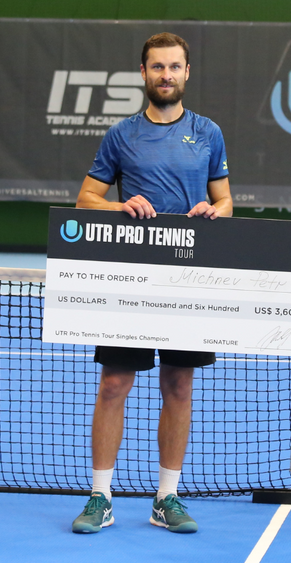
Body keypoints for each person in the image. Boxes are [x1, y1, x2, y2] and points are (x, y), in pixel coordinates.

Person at [70, 32, 232, 535]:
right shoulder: (121, 135)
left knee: (179, 384)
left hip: (187, 279)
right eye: (157, 67)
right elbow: (85, 200)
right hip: (129, 278)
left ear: (187, 73)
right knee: (114, 384)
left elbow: (226, 202)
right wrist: (120, 204)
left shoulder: (208, 133)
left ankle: (166, 497)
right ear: (143, 73)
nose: (166, 75)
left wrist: (214, 210)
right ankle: (100, 496)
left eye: (175, 67)